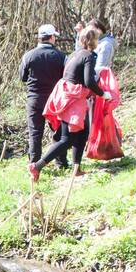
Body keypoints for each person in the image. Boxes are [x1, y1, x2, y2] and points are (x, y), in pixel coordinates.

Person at [29, 27, 112, 181]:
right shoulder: (88, 56)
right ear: (94, 41)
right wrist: (103, 93)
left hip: (68, 96)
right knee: (66, 139)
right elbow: (88, 81)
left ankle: (76, 168)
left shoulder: (75, 54)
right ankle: (37, 166)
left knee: (83, 132)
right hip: (72, 99)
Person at [20, 24, 69, 170]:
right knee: (58, 132)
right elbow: (66, 77)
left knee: (35, 132)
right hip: (55, 100)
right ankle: (61, 163)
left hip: (34, 98)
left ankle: (34, 164)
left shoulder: (28, 56)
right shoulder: (61, 56)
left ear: (39, 38)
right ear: (52, 37)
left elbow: (23, 77)